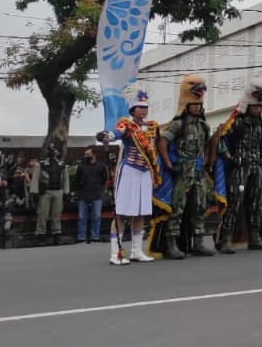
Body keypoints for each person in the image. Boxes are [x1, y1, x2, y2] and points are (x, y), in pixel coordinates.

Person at [213, 79, 262, 253]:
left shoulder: (261, 125)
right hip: (239, 168)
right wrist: (230, 158)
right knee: (234, 203)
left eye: (260, 107)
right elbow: (220, 139)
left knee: (256, 203)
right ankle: (224, 240)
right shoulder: (237, 122)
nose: (258, 109)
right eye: (256, 106)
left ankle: (254, 238)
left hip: (257, 167)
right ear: (249, 106)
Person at [97, 92, 161, 265]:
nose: (144, 110)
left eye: (146, 107)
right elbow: (117, 133)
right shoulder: (127, 124)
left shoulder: (152, 126)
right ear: (133, 110)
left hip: (145, 172)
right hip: (130, 171)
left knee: (140, 212)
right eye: (140, 107)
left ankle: (136, 251)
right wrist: (107, 136)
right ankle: (115, 253)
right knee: (122, 212)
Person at [155, 75, 215, 259]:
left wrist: (205, 160)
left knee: (199, 206)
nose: (197, 107)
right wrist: (168, 163)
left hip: (198, 171)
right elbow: (163, 143)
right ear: (187, 106)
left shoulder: (204, 126)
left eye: (199, 105)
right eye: (194, 105)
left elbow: (207, 145)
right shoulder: (178, 124)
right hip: (182, 170)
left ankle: (197, 242)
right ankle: (172, 243)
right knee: (178, 207)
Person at [30, 146, 70, 246]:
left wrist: (66, 192)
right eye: (52, 151)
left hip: (58, 192)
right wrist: (34, 192)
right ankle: (40, 236)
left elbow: (66, 179)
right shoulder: (41, 165)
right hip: (45, 192)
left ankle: (56, 235)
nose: (54, 153)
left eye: (55, 150)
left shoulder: (62, 165)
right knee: (42, 215)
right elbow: (35, 179)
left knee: (56, 215)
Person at [73, 147, 109, 244]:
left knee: (96, 217)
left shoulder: (101, 166)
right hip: (83, 194)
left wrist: (101, 191)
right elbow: (76, 180)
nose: (86, 156)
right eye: (85, 154)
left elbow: (104, 180)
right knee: (81, 217)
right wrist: (78, 191)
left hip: (97, 194)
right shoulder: (81, 166)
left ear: (94, 155)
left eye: (88, 154)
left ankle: (95, 237)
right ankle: (81, 238)